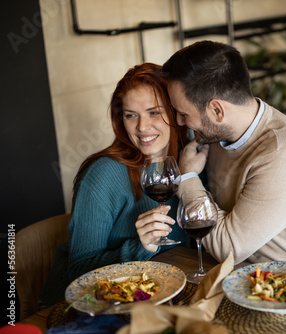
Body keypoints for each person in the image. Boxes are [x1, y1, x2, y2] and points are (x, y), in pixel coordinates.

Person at [162, 41, 286, 290]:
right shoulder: (214, 135)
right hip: (260, 285)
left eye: (183, 113)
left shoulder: (283, 155)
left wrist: (188, 177)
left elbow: (228, 248)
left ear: (217, 110)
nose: (180, 122)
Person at [40, 63, 189, 307]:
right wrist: (139, 247)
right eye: (131, 115)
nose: (142, 127)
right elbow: (77, 271)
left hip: (161, 296)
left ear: (176, 113)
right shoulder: (103, 174)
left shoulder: (187, 159)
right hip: (87, 307)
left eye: (154, 112)